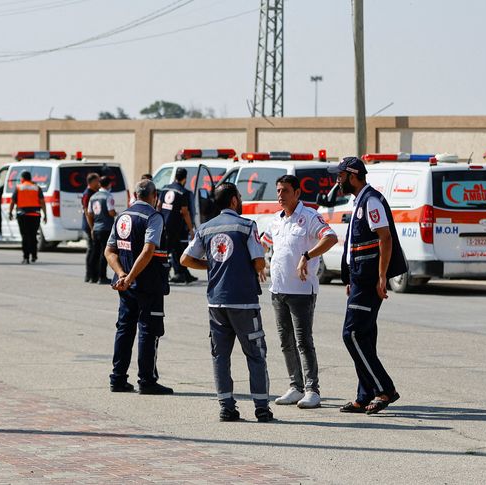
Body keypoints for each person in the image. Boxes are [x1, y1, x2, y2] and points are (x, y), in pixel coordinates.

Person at [181, 182, 274, 422]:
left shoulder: (205, 228)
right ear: (233, 201)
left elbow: (185, 259)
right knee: (255, 354)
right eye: (240, 197)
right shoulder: (246, 226)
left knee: (220, 356)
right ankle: (262, 408)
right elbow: (259, 262)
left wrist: (211, 266)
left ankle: (226, 407)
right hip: (243, 302)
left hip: (216, 304)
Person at [329, 156, 407, 415]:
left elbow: (385, 238)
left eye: (340, 176)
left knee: (351, 334)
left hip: (369, 281)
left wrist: (382, 277)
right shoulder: (359, 201)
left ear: (352, 176)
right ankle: (364, 396)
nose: (337, 180)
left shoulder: (371, 201)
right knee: (365, 336)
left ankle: (384, 389)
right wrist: (350, 277)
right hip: (359, 279)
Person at [260, 175, 338, 409]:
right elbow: (262, 243)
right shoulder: (276, 220)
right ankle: (295, 386)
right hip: (278, 290)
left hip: (302, 291)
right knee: (285, 341)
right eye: (278, 191)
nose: (280, 195)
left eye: (285, 191)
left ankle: (312, 390)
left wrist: (307, 256)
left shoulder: (310, 217)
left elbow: (331, 237)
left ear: (297, 193)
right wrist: (255, 262)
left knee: (303, 341)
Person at [105, 179, 173, 395]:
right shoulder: (153, 217)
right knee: (148, 330)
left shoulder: (122, 217)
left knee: (124, 329)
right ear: (154, 197)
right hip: (148, 284)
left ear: (134, 195)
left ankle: (118, 378)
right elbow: (148, 250)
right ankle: (147, 380)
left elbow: (109, 251)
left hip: (126, 286)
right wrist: (131, 277)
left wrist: (122, 275)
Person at [157, 167, 197, 284]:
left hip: (164, 224)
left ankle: (183, 273)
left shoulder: (165, 189)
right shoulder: (182, 192)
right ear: (185, 178)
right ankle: (164, 273)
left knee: (174, 250)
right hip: (176, 227)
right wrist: (191, 229)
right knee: (172, 250)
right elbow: (185, 212)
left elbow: (159, 206)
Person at [8, 171, 47, 264]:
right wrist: (45, 215)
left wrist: (10, 212)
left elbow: (13, 201)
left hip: (22, 215)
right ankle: (34, 255)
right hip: (35, 215)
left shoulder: (19, 187)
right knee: (33, 235)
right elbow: (42, 202)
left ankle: (26, 257)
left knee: (25, 236)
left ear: (22, 178)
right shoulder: (37, 188)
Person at [87, 175, 116, 284]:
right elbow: (110, 212)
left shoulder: (93, 197)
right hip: (106, 227)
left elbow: (89, 213)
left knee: (95, 252)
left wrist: (92, 227)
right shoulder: (108, 196)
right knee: (105, 253)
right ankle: (102, 276)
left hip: (96, 227)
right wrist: (117, 214)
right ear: (109, 184)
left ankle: (91, 276)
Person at [81, 172, 101, 282]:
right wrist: (92, 227)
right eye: (97, 181)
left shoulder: (94, 192)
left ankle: (94, 274)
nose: (99, 183)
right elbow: (87, 212)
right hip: (90, 225)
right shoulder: (88, 194)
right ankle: (89, 274)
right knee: (92, 250)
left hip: (94, 225)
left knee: (95, 250)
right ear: (92, 182)